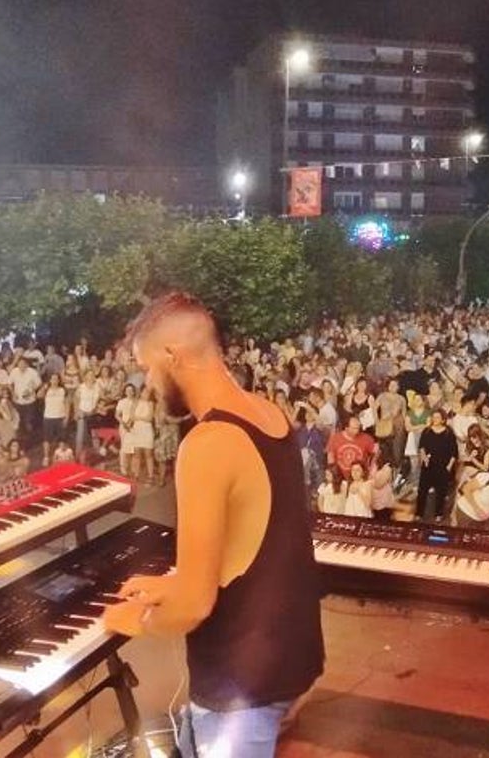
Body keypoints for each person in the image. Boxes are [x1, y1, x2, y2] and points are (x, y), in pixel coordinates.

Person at [102, 292, 323, 758]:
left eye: (146, 368)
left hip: (240, 688)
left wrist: (133, 620)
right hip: (289, 660)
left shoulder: (207, 443)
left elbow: (195, 607)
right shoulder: (268, 414)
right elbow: (250, 547)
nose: (147, 383)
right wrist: (171, 582)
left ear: (170, 355)